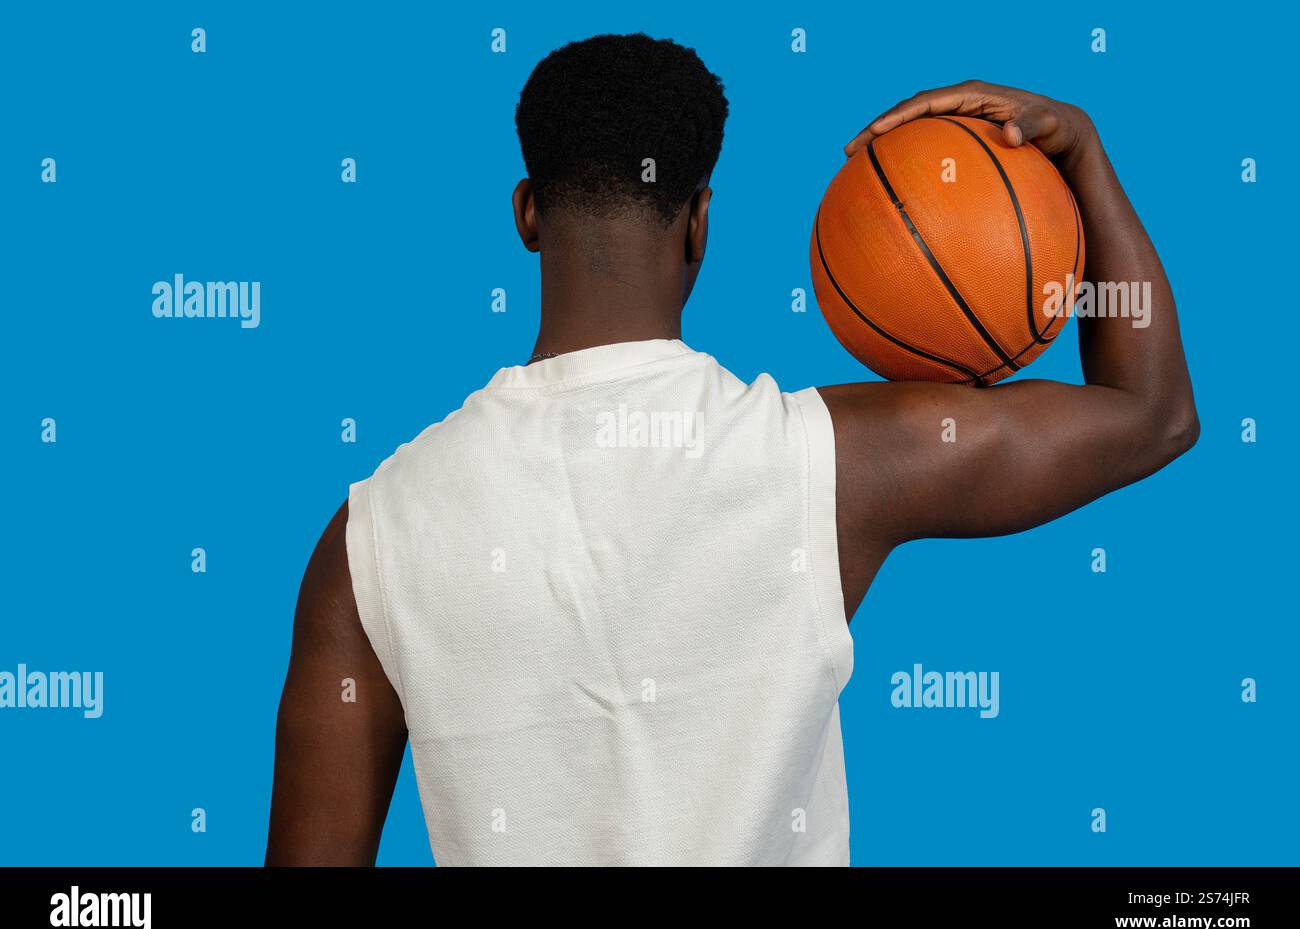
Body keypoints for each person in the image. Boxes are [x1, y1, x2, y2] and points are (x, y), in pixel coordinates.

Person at [266, 34, 1196, 866]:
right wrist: (1080, 149)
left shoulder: (370, 541)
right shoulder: (829, 464)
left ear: (526, 214)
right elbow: (1152, 414)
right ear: (701, 222)